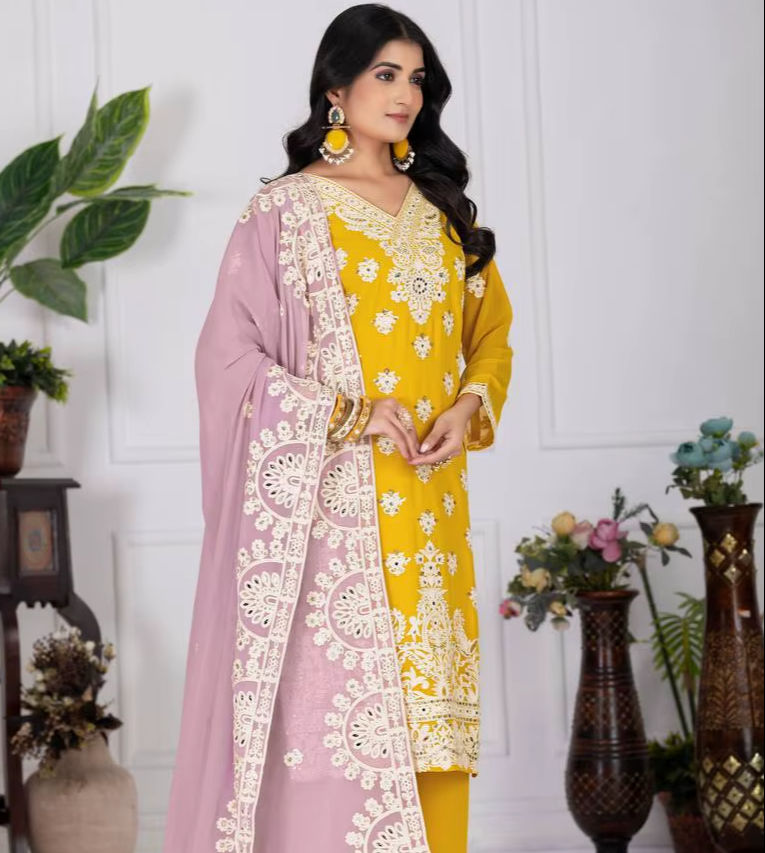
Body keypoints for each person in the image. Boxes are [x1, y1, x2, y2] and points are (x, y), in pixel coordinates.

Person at [163, 5, 513, 852]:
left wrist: (469, 405)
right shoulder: (283, 214)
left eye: (416, 78)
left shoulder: (443, 214)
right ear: (336, 88)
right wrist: (348, 412)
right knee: (331, 758)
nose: (404, 94)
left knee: (436, 742)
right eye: (385, 74)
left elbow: (490, 337)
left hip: (431, 523)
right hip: (331, 535)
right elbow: (226, 362)